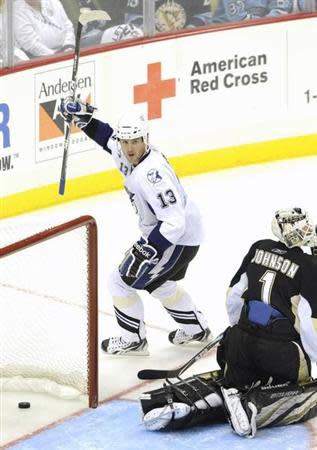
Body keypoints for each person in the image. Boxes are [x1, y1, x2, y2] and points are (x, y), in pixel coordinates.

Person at [139, 207, 317, 437]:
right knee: (303, 391)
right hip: (280, 353)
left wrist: (242, 330)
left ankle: (174, 402)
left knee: (233, 381)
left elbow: (233, 295)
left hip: (238, 342)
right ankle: (252, 407)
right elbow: (309, 323)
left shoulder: (258, 248)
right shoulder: (309, 267)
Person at [59, 97, 211, 355]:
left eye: (135, 142)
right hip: (184, 235)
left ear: (145, 139)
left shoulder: (153, 175)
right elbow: (108, 138)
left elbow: (174, 222)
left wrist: (148, 249)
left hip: (177, 238)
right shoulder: (132, 152)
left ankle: (133, 339)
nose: (129, 148)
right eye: (125, 142)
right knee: (160, 284)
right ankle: (196, 329)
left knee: (119, 282)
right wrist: (83, 120)